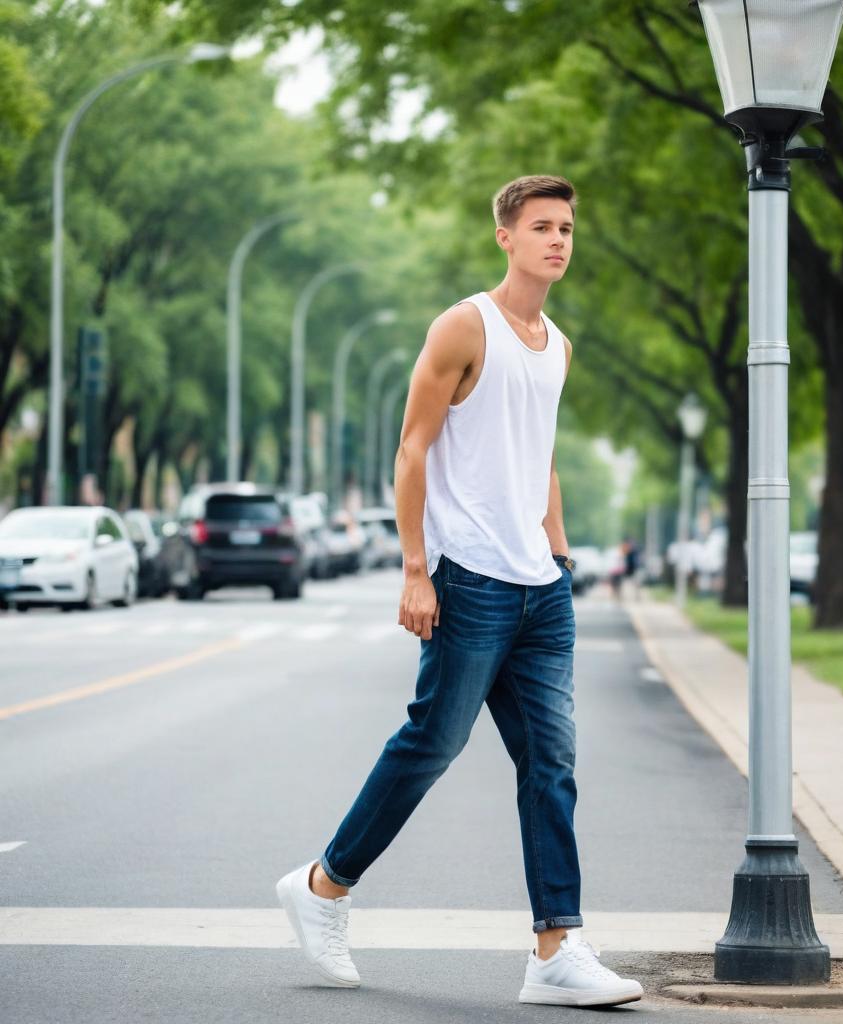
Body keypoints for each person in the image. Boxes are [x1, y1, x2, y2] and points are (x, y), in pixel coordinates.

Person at [276, 175, 643, 1008]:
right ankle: (323, 886)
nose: (558, 240)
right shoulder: (464, 326)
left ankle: (557, 948)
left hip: (540, 588)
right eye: (542, 227)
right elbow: (413, 449)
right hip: (469, 579)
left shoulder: (558, 345)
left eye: (567, 228)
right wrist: (416, 568)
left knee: (552, 763)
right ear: (506, 237)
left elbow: (539, 458)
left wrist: (558, 554)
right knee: (433, 743)